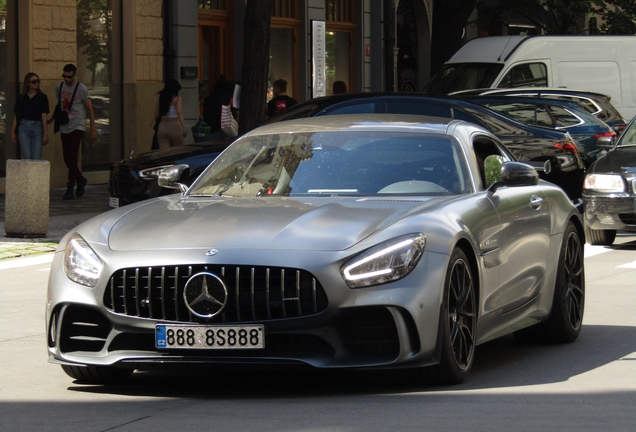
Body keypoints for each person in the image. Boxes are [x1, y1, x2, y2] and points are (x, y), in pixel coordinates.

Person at [52, 64, 96, 200]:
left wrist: (93, 128)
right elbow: (58, 106)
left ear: (75, 75)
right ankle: (80, 178)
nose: (66, 79)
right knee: (67, 158)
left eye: (69, 76)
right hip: (65, 125)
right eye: (64, 76)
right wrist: (51, 119)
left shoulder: (81, 89)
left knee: (72, 156)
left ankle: (70, 186)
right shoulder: (59, 87)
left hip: (77, 125)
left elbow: (89, 108)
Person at [11, 72, 50, 160]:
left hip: (38, 127)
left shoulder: (42, 97)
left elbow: (44, 116)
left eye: (37, 81)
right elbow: (16, 116)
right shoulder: (21, 98)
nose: (36, 83)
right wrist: (12, 132)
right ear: (28, 84)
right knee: (27, 157)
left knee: (36, 158)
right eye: (34, 81)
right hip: (24, 127)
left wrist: (46, 133)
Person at [154, 79, 187, 149]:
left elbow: (156, 115)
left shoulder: (161, 98)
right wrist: (183, 127)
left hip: (162, 126)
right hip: (174, 125)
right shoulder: (177, 99)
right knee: (179, 149)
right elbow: (179, 112)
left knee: (164, 152)